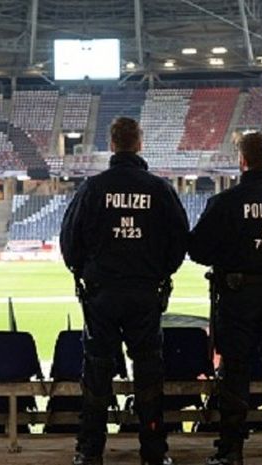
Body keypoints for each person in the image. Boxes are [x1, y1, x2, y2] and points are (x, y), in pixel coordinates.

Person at [60, 117, 189, 465]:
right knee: (148, 373)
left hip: (101, 294)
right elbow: (180, 241)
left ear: (112, 144)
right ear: (140, 143)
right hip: (145, 293)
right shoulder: (159, 189)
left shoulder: (92, 188)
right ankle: (153, 452)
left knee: (97, 373)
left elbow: (69, 241)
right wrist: (160, 273)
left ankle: (90, 452)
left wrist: (84, 272)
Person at [188, 132, 262, 465]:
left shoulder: (226, 202)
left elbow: (197, 249)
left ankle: (232, 450)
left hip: (237, 296)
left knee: (235, 372)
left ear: (242, 160)